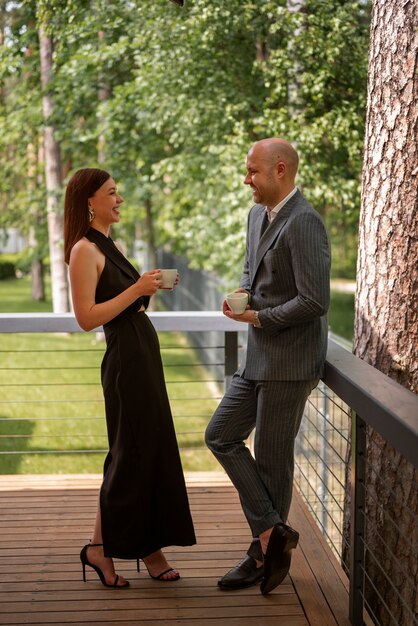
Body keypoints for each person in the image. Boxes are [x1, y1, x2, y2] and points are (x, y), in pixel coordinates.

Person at [205, 138, 330, 595]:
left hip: (291, 362)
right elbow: (249, 272)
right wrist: (241, 300)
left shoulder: (305, 222)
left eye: (253, 172)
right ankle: (272, 536)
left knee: (273, 463)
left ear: (281, 170)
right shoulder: (257, 215)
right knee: (219, 434)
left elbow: (315, 301)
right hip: (257, 356)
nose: (246, 180)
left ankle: (262, 556)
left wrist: (258, 317)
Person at [64, 168, 196, 588]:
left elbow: (123, 303)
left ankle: (103, 548)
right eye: (112, 193)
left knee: (142, 450)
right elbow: (86, 317)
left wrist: (144, 292)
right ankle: (136, 550)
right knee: (130, 453)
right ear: (90, 201)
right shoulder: (84, 250)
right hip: (125, 361)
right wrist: (136, 290)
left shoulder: (110, 243)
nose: (119, 200)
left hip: (142, 356)